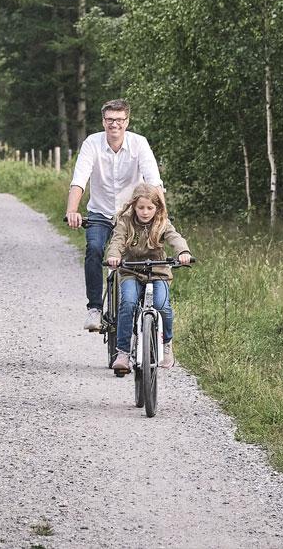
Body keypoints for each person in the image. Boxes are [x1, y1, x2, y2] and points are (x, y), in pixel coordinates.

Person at [64, 99, 162, 332]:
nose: (114, 124)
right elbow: (80, 180)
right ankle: (95, 308)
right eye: (110, 120)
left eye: (119, 120)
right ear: (103, 121)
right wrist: (72, 210)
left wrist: (162, 216)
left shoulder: (139, 144)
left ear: (127, 122)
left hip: (132, 214)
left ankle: (142, 307)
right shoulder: (92, 143)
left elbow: (154, 181)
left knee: (140, 256)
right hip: (100, 212)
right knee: (95, 249)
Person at [104, 183, 192, 373]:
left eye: (150, 208)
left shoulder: (162, 222)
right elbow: (117, 240)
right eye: (141, 207)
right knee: (127, 303)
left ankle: (167, 343)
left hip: (157, 271)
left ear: (157, 208)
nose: (145, 212)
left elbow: (174, 237)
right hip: (131, 270)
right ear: (134, 206)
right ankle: (123, 352)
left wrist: (183, 252)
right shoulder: (125, 221)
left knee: (162, 306)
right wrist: (114, 256)